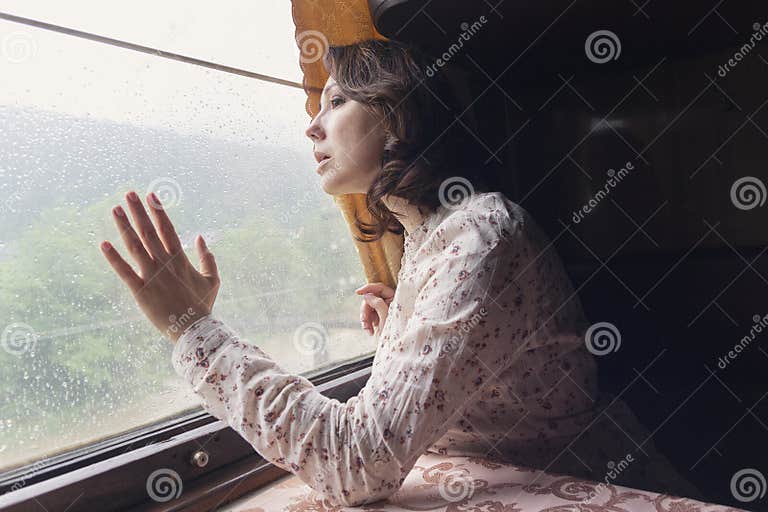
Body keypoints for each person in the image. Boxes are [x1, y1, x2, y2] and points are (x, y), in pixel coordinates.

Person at [99, 39, 701, 507]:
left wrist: (192, 328)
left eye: (337, 101)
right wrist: (403, 333)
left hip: (578, 483)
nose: (312, 124)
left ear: (400, 117)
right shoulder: (427, 239)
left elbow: (356, 463)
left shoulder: (482, 232)